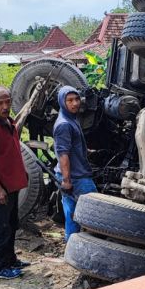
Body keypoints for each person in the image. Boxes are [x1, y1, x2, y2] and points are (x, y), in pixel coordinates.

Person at [0, 86, 31, 280]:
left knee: (11, 224)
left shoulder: (9, 122)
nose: (5, 106)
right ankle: (1, 268)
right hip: (1, 188)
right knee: (1, 228)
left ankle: (11, 259)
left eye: (7, 101)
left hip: (13, 185)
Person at [53, 86, 96, 241]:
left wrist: (84, 151)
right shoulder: (64, 124)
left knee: (71, 210)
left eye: (77, 99)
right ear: (62, 102)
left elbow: (70, 147)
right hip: (75, 177)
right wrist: (66, 180)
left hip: (73, 174)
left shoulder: (71, 118)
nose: (75, 103)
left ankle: (71, 240)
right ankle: (81, 242)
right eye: (70, 100)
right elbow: (63, 154)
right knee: (93, 208)